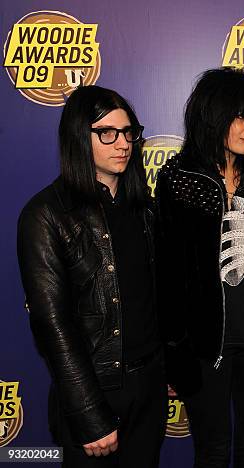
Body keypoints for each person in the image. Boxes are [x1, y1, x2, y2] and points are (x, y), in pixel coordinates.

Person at [17, 86, 167, 467]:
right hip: (95, 389)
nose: (122, 143)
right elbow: (53, 325)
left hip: (148, 388)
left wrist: (165, 367)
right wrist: (88, 414)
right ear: (78, 137)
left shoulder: (144, 208)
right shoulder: (47, 214)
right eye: (107, 132)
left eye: (128, 132)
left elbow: (154, 298)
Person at [155, 67, 244, 468]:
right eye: (240, 116)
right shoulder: (178, 179)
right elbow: (169, 273)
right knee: (212, 449)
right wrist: (173, 351)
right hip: (206, 340)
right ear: (213, 116)